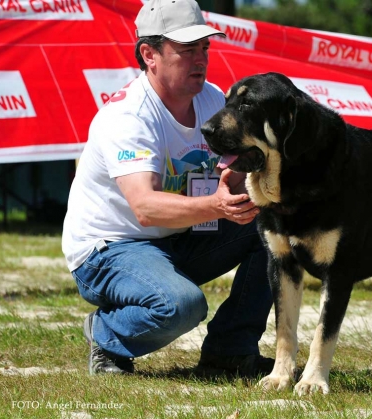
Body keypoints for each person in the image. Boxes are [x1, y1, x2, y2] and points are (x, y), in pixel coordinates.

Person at [61, 0, 273, 377]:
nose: (200, 59)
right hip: (110, 248)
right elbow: (146, 208)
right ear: (149, 54)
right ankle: (105, 332)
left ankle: (230, 352)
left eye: (205, 48)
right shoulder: (128, 116)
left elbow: (233, 178)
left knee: (274, 229)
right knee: (181, 306)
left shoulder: (211, 99)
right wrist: (220, 206)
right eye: (187, 50)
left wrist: (246, 183)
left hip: (175, 236)